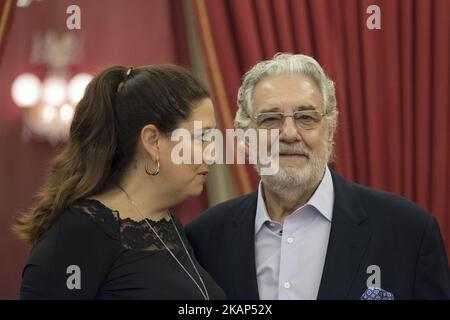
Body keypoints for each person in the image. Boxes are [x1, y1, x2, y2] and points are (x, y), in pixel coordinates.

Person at [185, 53, 450, 300]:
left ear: (330, 130)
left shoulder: (408, 232)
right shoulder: (204, 239)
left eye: (306, 117)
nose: (288, 133)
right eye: (270, 119)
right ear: (244, 136)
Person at [15, 64, 226, 300]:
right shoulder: (81, 232)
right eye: (202, 137)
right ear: (153, 141)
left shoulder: (166, 225)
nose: (212, 153)